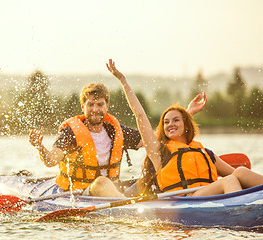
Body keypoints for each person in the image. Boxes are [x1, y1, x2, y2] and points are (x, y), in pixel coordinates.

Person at [106, 59, 263, 197]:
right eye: (166, 122)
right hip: (188, 199)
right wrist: (124, 82)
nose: (170, 124)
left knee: (240, 172)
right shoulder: (159, 152)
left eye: (175, 120)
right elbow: (140, 115)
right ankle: (241, 213)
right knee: (229, 181)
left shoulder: (205, 153)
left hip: (210, 195)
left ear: (186, 125)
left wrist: (189, 110)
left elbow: (237, 176)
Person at [29, 82, 207, 197]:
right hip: (80, 193)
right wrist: (39, 147)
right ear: (83, 107)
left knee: (149, 176)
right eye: (90, 104)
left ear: (106, 106)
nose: (95, 109)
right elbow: (51, 160)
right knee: (101, 182)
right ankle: (130, 210)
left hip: (115, 192)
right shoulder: (71, 133)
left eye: (100, 104)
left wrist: (187, 113)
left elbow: (154, 139)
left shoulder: (116, 130)